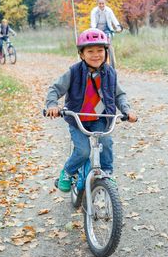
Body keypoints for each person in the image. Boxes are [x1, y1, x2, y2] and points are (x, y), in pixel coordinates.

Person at [45, 28, 137, 192]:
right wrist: (52, 105)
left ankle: (107, 174)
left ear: (106, 52)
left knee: (106, 143)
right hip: (77, 118)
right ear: (81, 54)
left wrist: (127, 110)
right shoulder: (74, 72)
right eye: (90, 51)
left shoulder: (110, 73)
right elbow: (55, 89)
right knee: (83, 151)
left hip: (100, 119)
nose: (96, 55)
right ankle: (67, 172)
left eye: (100, 50)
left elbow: (120, 95)